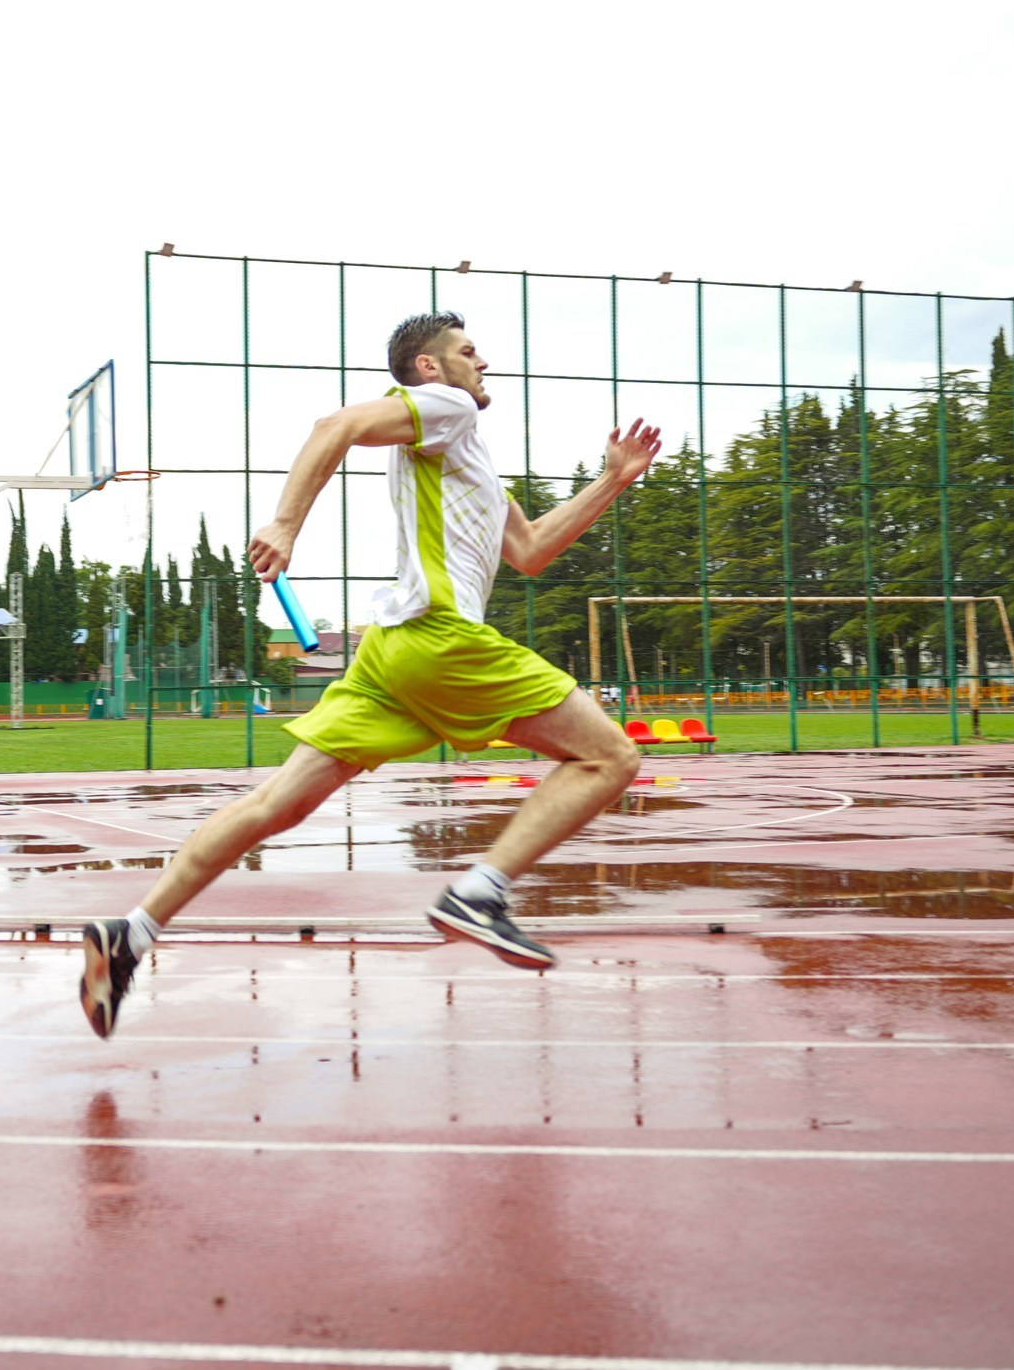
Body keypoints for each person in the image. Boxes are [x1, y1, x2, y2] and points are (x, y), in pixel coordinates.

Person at [80, 312, 660, 1038]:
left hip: (390, 654)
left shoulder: (465, 452)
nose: (484, 362)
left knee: (276, 805)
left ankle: (130, 933)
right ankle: (479, 894)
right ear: (428, 368)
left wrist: (612, 481)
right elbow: (335, 425)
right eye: (468, 351)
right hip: (441, 638)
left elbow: (532, 549)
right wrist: (286, 522)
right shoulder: (444, 409)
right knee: (611, 754)